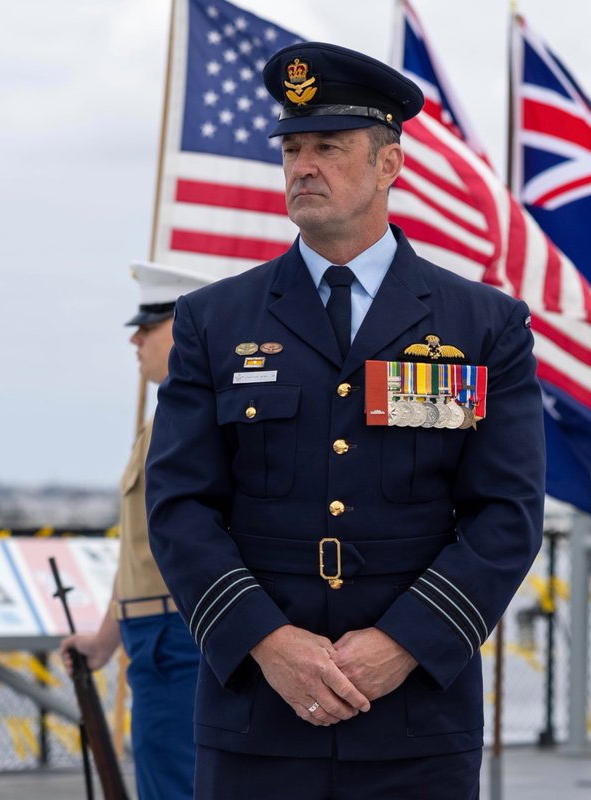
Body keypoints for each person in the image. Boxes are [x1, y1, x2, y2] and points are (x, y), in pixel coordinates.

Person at [146, 41, 546, 799]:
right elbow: (178, 506)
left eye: (328, 147)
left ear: (389, 165)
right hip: (256, 719)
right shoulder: (214, 321)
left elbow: (507, 512)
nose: (303, 167)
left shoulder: (483, 324)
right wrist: (268, 642)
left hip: (415, 724)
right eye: (292, 148)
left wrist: (402, 643)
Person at [60, 261, 204, 800]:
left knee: (174, 785)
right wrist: (104, 641)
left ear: (188, 326)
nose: (135, 338)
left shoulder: (195, 419)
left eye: (151, 323)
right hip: (155, 632)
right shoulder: (164, 419)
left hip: (180, 634)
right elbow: (144, 548)